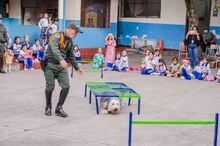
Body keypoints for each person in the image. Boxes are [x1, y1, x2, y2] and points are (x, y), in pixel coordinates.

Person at [43, 22, 83, 117]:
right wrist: (61, 60)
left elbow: (71, 56)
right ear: (69, 29)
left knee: (66, 86)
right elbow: (54, 48)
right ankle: (48, 106)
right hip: (50, 65)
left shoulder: (69, 41)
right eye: (75, 32)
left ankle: (59, 108)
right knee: (50, 87)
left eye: (77, 33)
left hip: (61, 67)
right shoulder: (57, 35)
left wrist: (77, 68)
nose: (76, 34)